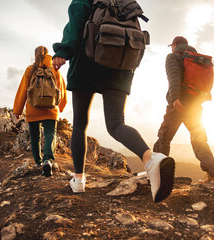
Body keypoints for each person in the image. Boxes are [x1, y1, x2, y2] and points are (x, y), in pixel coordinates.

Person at [52, 0, 175, 203]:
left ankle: (79, 180)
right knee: (116, 124)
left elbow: (75, 26)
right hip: (120, 67)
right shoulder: (124, 2)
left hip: (86, 64)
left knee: (80, 124)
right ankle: (151, 159)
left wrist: (62, 52)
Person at [153, 36, 214, 182]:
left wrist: (175, 99)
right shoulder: (197, 59)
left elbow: (174, 78)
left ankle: (158, 175)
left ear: (175, 44)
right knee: (199, 139)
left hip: (179, 104)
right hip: (195, 104)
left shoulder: (173, 57)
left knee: (163, 138)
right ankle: (213, 175)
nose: (171, 48)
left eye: (172, 45)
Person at [13, 46, 67, 177]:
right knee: (50, 133)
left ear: (35, 55)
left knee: (35, 136)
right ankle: (47, 160)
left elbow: (23, 90)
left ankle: (38, 162)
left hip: (33, 108)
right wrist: (61, 107)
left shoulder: (30, 70)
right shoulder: (54, 69)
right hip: (51, 108)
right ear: (48, 55)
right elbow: (61, 89)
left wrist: (17, 109)